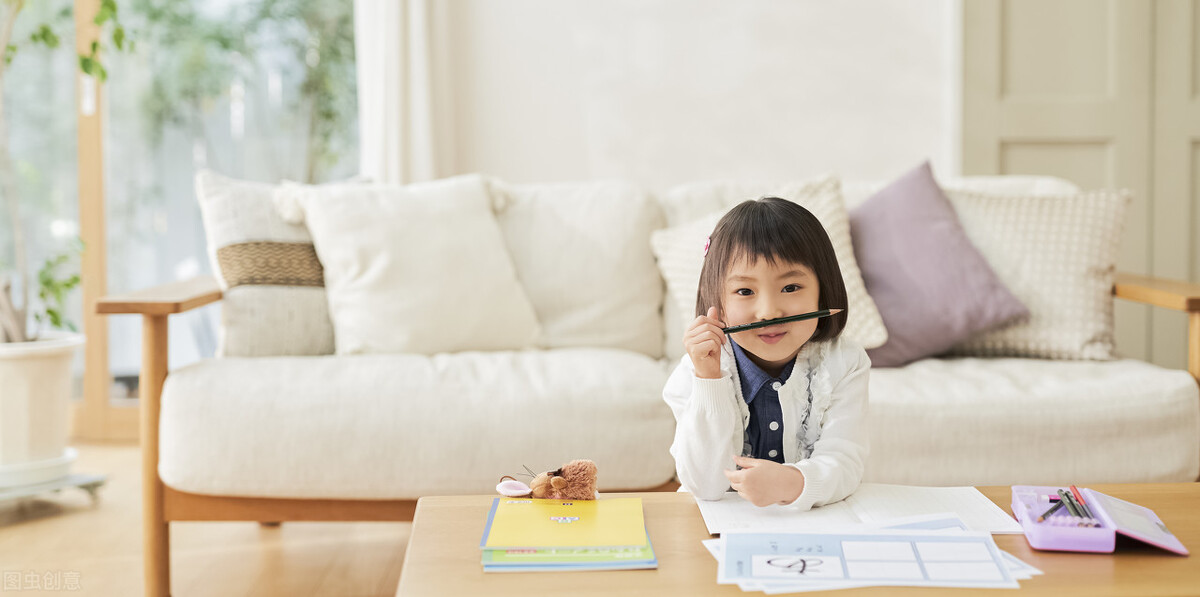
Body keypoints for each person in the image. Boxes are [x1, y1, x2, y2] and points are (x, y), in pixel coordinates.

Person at [663, 197, 870, 509]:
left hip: (814, 524)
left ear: (822, 292)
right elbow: (704, 485)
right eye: (745, 292)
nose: (769, 311)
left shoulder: (846, 363)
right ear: (716, 301)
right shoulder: (692, 372)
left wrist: (794, 483)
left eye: (790, 288)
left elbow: (845, 463)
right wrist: (708, 379)